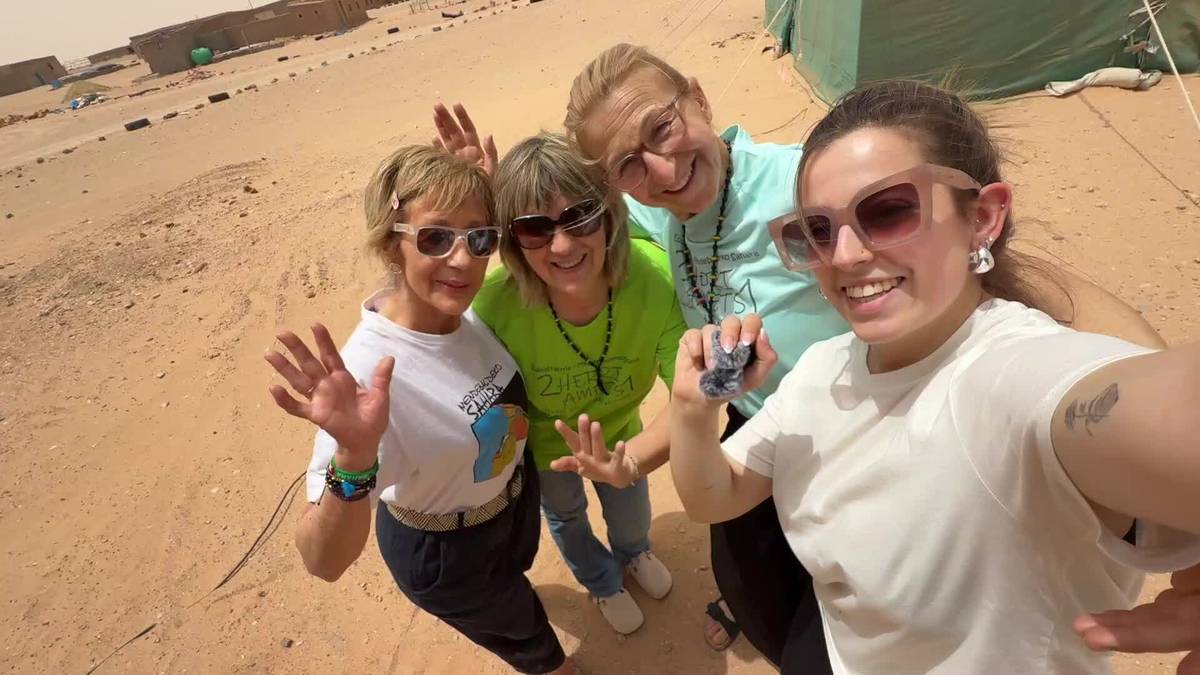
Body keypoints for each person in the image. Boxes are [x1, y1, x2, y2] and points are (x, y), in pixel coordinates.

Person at [560, 42, 1171, 667]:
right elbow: (569, 225)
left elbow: (1106, 401)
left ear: (698, 98)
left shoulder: (808, 182)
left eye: (887, 213)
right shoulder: (658, 211)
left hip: (887, 406)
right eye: (628, 164)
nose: (661, 170)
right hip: (776, 412)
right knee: (758, 584)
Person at [264, 145, 573, 675]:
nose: (463, 260)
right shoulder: (368, 376)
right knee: (522, 627)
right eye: (435, 238)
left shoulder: (464, 310)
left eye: (480, 238)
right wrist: (355, 457)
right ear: (391, 246)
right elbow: (321, 561)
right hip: (448, 550)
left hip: (513, 504)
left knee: (516, 584)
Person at [468, 131, 685, 635]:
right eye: (534, 229)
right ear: (513, 242)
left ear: (609, 214)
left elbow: (691, 398)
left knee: (631, 508)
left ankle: (634, 553)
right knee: (566, 517)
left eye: (580, 216)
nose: (562, 245)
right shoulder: (495, 307)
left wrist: (628, 463)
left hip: (622, 436)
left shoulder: (654, 278)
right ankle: (602, 582)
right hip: (546, 452)